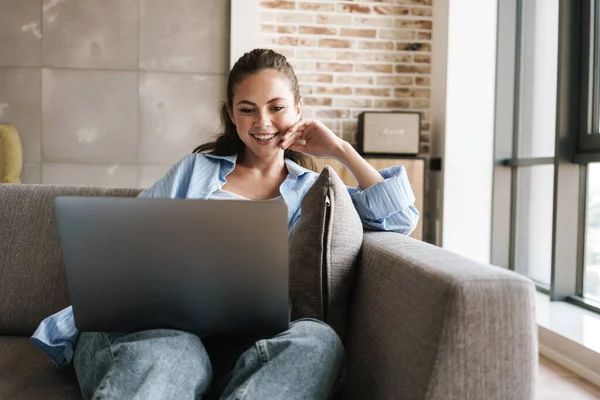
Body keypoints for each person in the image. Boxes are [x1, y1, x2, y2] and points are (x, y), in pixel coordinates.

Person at [31, 48, 419, 400]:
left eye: (277, 107)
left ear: (299, 110)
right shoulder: (195, 170)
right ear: (232, 115)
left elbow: (400, 218)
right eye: (247, 108)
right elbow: (124, 242)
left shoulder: (315, 191)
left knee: (319, 341)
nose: (262, 121)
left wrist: (341, 150)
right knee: (178, 351)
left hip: (242, 347)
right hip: (148, 334)